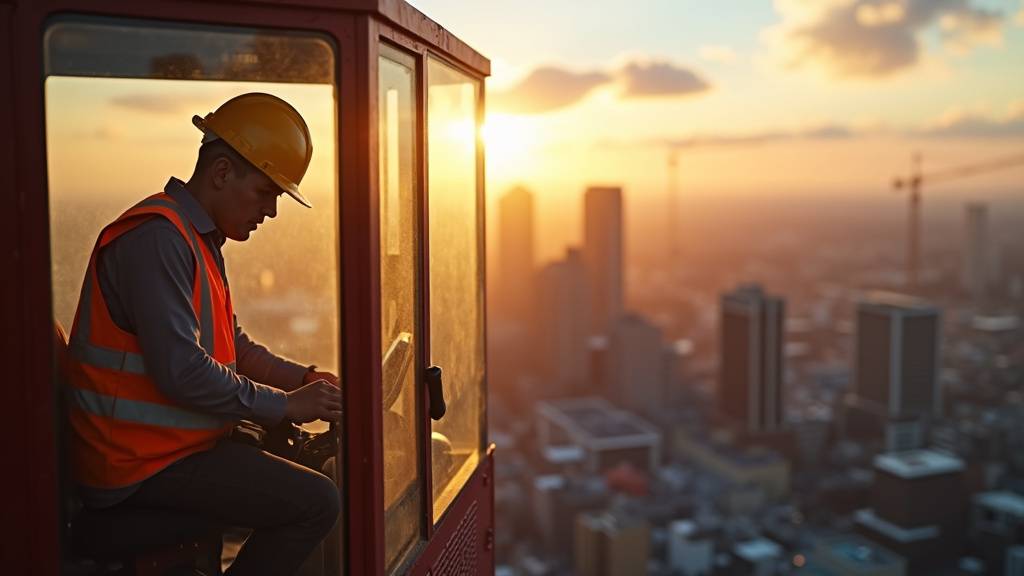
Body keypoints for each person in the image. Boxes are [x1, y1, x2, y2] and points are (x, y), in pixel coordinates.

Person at [65, 93, 341, 575]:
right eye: (266, 192)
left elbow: (235, 347)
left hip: (166, 450)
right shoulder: (158, 239)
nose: (271, 211)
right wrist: (284, 405)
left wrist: (304, 380)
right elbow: (183, 372)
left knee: (295, 458)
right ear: (221, 173)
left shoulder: (196, 237)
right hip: (134, 464)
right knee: (317, 501)